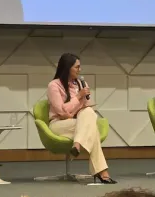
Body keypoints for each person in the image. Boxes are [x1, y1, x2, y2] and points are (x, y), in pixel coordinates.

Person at [47, 53, 116, 184]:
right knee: (92, 129)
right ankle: (102, 172)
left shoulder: (81, 84)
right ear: (67, 68)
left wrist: (82, 104)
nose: (80, 70)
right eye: (77, 67)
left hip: (78, 121)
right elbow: (62, 112)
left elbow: (86, 107)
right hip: (59, 124)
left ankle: (77, 145)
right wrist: (78, 97)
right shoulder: (54, 85)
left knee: (89, 112)